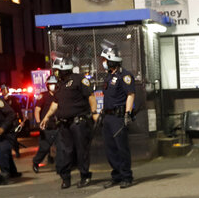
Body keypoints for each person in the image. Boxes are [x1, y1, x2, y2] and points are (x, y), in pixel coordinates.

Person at [42, 57, 96, 189]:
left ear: (64, 70)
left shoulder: (79, 80)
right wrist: (47, 117)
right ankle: (65, 178)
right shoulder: (60, 84)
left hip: (78, 122)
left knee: (81, 150)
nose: (56, 73)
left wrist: (95, 113)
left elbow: (91, 96)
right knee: (65, 151)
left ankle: (85, 176)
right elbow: (55, 103)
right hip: (64, 124)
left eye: (57, 70)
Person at [99, 42, 136, 189]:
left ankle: (127, 176)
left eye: (105, 60)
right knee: (110, 149)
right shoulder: (109, 76)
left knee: (122, 148)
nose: (103, 63)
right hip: (107, 117)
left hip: (118, 117)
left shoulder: (125, 76)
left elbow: (130, 94)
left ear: (111, 60)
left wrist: (127, 114)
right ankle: (117, 176)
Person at [31, 75, 58, 172]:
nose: (53, 86)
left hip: (58, 125)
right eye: (51, 84)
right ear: (47, 85)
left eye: (54, 84)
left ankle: (61, 165)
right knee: (44, 147)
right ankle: (36, 162)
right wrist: (38, 122)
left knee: (61, 146)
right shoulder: (43, 96)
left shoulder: (59, 95)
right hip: (46, 126)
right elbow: (37, 110)